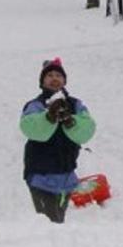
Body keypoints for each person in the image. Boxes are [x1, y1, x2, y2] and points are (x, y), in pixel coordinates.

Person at [19, 57, 97, 223]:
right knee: (49, 225)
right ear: (42, 81)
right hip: (41, 178)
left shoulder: (75, 104)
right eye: (49, 75)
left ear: (64, 80)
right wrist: (49, 117)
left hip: (66, 178)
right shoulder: (35, 105)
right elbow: (30, 128)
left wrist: (71, 122)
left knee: (58, 222)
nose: (54, 78)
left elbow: (87, 130)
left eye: (58, 75)